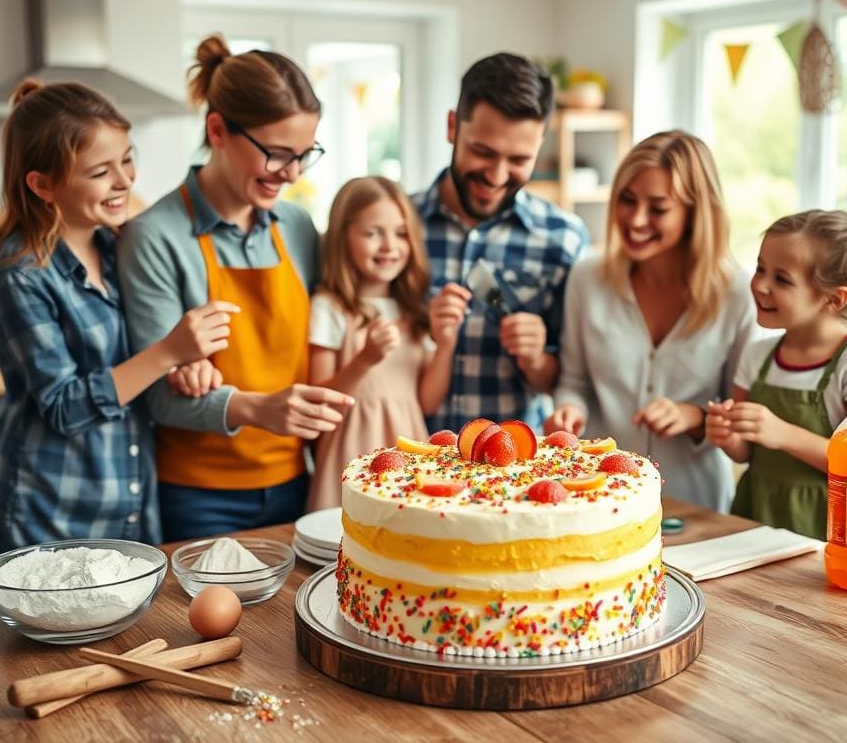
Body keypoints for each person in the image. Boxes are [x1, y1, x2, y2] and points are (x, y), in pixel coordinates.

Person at [0, 80, 236, 558]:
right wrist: (168, 352)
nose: (125, 180)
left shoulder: (119, 249)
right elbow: (63, 406)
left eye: (127, 158)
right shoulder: (18, 276)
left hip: (130, 507)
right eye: (100, 171)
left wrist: (181, 366)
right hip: (49, 517)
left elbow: (140, 360)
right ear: (43, 185)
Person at [117, 35, 353, 541]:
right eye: (275, 154)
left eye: (304, 155)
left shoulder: (297, 227)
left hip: (298, 484)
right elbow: (156, 397)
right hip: (198, 496)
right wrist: (256, 408)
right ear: (218, 130)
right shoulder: (155, 237)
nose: (290, 174)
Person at [547, 130, 758, 511]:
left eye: (658, 208)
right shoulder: (587, 277)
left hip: (695, 503)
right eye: (627, 200)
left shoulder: (737, 293)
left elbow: (740, 411)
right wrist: (569, 409)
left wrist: (694, 416)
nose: (636, 219)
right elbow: (573, 381)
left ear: (696, 212)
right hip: (597, 495)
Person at [413, 52, 587, 432]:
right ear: (452, 127)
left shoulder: (563, 239)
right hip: (409, 461)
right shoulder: (396, 228)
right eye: (483, 151)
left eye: (519, 159)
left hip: (514, 471)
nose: (496, 175)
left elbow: (570, 379)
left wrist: (538, 358)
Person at [706, 210, 847, 539]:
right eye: (761, 268)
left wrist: (783, 434)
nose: (760, 284)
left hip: (827, 531)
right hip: (755, 519)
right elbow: (746, 452)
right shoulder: (756, 356)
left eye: (782, 279)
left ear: (833, 299)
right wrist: (728, 437)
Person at [306, 177, 458, 510]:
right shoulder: (329, 308)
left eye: (401, 233)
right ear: (342, 237)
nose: (390, 245)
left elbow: (426, 402)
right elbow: (319, 402)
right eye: (373, 233)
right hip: (349, 454)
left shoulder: (414, 310)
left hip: (407, 452)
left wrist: (445, 344)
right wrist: (365, 359)